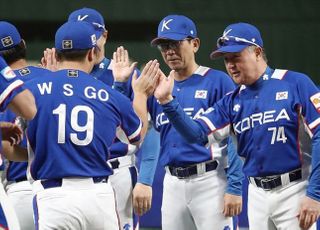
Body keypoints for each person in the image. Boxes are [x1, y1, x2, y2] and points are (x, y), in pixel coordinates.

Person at [152, 22, 320, 230]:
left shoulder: (295, 83)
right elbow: (196, 135)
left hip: (295, 190)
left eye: (236, 56)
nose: (230, 64)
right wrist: (168, 102)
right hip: (257, 194)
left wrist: (315, 193)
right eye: (226, 59)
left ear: (257, 52)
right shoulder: (231, 101)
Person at [2, 20, 155, 230]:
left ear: (55, 55)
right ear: (92, 54)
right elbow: (138, 135)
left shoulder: (31, 91)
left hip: (53, 197)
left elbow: (11, 147)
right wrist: (139, 94)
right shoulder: (108, 94)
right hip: (98, 195)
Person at [132, 15, 244, 230]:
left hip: (211, 180)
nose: (169, 51)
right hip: (172, 182)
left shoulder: (217, 81)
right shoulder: (159, 86)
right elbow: (142, 135)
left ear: (195, 44)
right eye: (164, 46)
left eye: (175, 43)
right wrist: (137, 93)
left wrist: (235, 187)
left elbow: (235, 138)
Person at [0, 20, 53, 230]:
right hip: (53, 188)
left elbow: (6, 149)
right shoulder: (52, 76)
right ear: (22, 44)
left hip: (19, 192)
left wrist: (31, 154)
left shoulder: (5, 87)